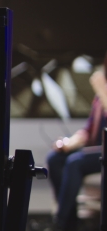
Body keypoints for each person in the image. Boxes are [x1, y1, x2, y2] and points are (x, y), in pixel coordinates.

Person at [46, 68, 107, 231]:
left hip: (104, 151)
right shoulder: (100, 98)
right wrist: (69, 142)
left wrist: (102, 91)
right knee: (55, 158)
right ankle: (69, 222)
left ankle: (60, 222)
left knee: (75, 162)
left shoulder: (103, 94)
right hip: (96, 149)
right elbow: (88, 130)